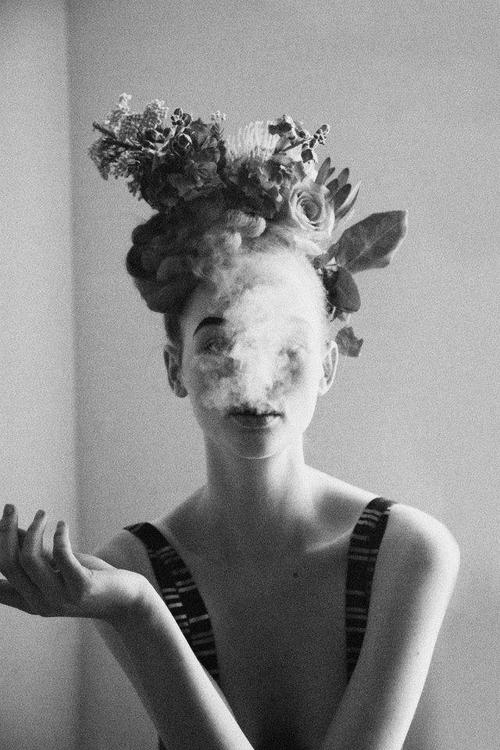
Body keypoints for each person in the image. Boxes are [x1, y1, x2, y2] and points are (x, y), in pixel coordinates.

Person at [0, 96, 460, 750]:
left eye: (286, 346)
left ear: (327, 366)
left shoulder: (408, 554)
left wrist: (141, 613)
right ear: (175, 368)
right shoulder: (129, 569)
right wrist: (138, 608)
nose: (254, 374)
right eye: (218, 342)